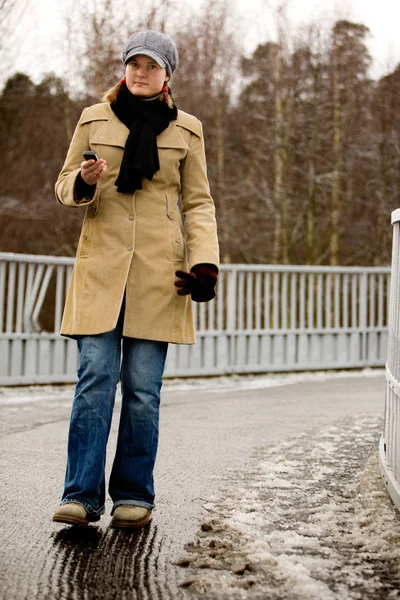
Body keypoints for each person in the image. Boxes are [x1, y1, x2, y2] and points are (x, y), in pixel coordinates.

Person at [52, 30, 219, 528]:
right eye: (133, 63)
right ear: (124, 69)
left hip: (158, 276)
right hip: (101, 269)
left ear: (167, 75)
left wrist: (206, 263)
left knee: (143, 389)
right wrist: (84, 181)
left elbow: (198, 202)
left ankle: (134, 495)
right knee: (95, 381)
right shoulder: (93, 119)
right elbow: (64, 185)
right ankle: (80, 495)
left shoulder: (188, 129)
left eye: (151, 65)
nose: (140, 71)